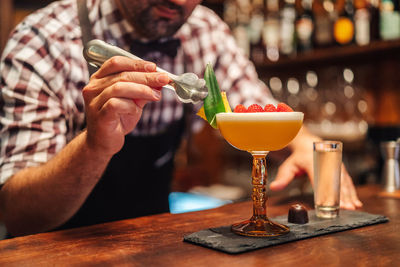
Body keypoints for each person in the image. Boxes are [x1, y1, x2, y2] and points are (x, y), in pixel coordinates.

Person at [0, 0, 362, 237]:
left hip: (156, 244)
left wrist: (305, 147)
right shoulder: (43, 41)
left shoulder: (204, 30)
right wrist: (94, 146)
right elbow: (17, 214)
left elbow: (249, 110)